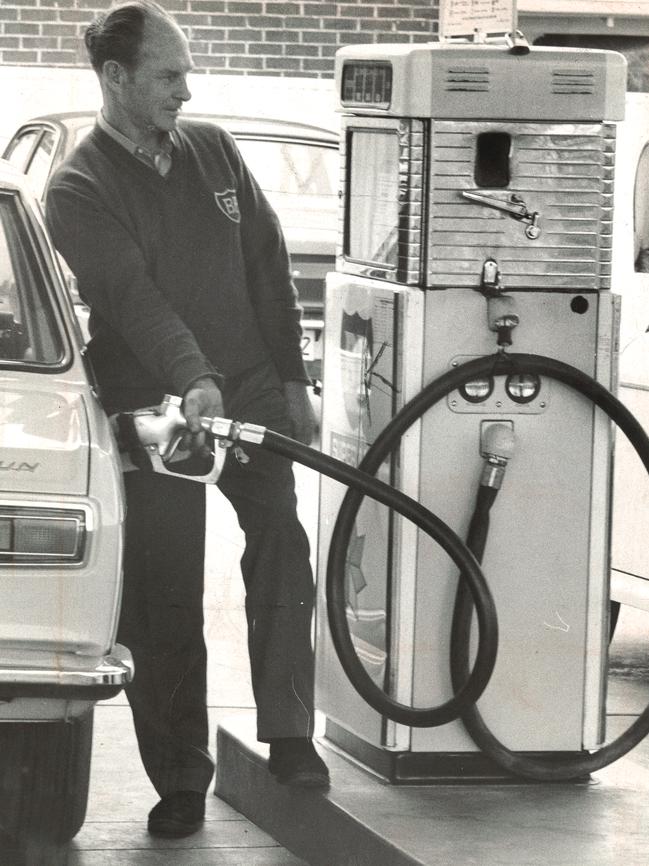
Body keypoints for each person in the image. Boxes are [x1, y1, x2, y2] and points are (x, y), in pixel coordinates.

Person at [45, 0, 329, 839]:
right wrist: (192, 381)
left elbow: (267, 262)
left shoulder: (212, 151)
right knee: (164, 594)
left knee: (282, 541)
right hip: (151, 412)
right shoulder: (80, 188)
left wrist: (291, 378)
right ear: (117, 79)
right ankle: (179, 778)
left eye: (187, 72)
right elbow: (134, 301)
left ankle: (289, 734)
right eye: (170, 76)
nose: (187, 91)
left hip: (245, 391)